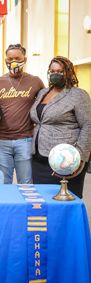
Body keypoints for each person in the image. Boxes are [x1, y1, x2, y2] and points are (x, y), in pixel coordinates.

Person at [30, 56, 91, 198]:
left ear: (69, 73)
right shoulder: (42, 93)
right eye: (52, 71)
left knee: (66, 200)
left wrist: (80, 158)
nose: (55, 74)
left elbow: (87, 125)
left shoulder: (78, 94)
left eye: (60, 71)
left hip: (66, 159)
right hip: (40, 157)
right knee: (42, 198)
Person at [0, 43, 45, 184]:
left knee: (25, 182)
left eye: (18, 58)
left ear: (24, 60)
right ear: (5, 60)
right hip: (1, 140)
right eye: (10, 58)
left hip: (25, 140)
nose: (13, 62)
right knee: (3, 183)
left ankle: (25, 207)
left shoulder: (35, 82)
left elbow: (45, 103)